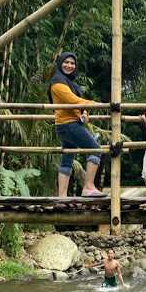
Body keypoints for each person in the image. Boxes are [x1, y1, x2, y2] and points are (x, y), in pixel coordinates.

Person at [49, 52, 106, 198]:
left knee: (67, 158)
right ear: (60, 63)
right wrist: (97, 105)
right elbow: (73, 100)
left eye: (72, 63)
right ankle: (88, 187)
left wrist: (85, 113)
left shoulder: (68, 82)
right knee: (95, 149)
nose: (69, 65)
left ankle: (62, 196)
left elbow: (79, 104)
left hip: (65, 125)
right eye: (66, 62)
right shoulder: (57, 83)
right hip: (69, 125)